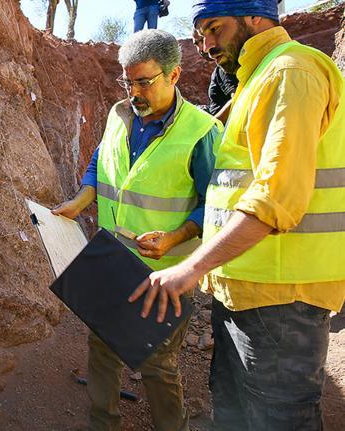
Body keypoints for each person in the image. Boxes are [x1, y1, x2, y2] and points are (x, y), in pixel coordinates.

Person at [129, 1, 345, 430]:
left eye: (216, 29)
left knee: (279, 419)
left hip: (282, 297)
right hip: (246, 290)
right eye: (201, 34)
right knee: (235, 412)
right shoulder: (256, 81)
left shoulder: (290, 73)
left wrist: (191, 267)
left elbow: (275, 200)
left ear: (255, 17)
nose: (207, 45)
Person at [52, 29, 222, 431]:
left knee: (157, 363)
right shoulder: (119, 114)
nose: (134, 92)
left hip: (163, 274)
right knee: (102, 347)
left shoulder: (200, 133)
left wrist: (175, 238)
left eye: (144, 81)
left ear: (175, 75)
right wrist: (81, 199)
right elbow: (99, 161)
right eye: (127, 81)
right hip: (110, 260)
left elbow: (216, 205)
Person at [192, 30, 238, 123]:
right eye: (196, 44)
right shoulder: (219, 69)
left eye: (202, 40)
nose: (201, 48)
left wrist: (211, 129)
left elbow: (238, 99)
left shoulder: (226, 67)